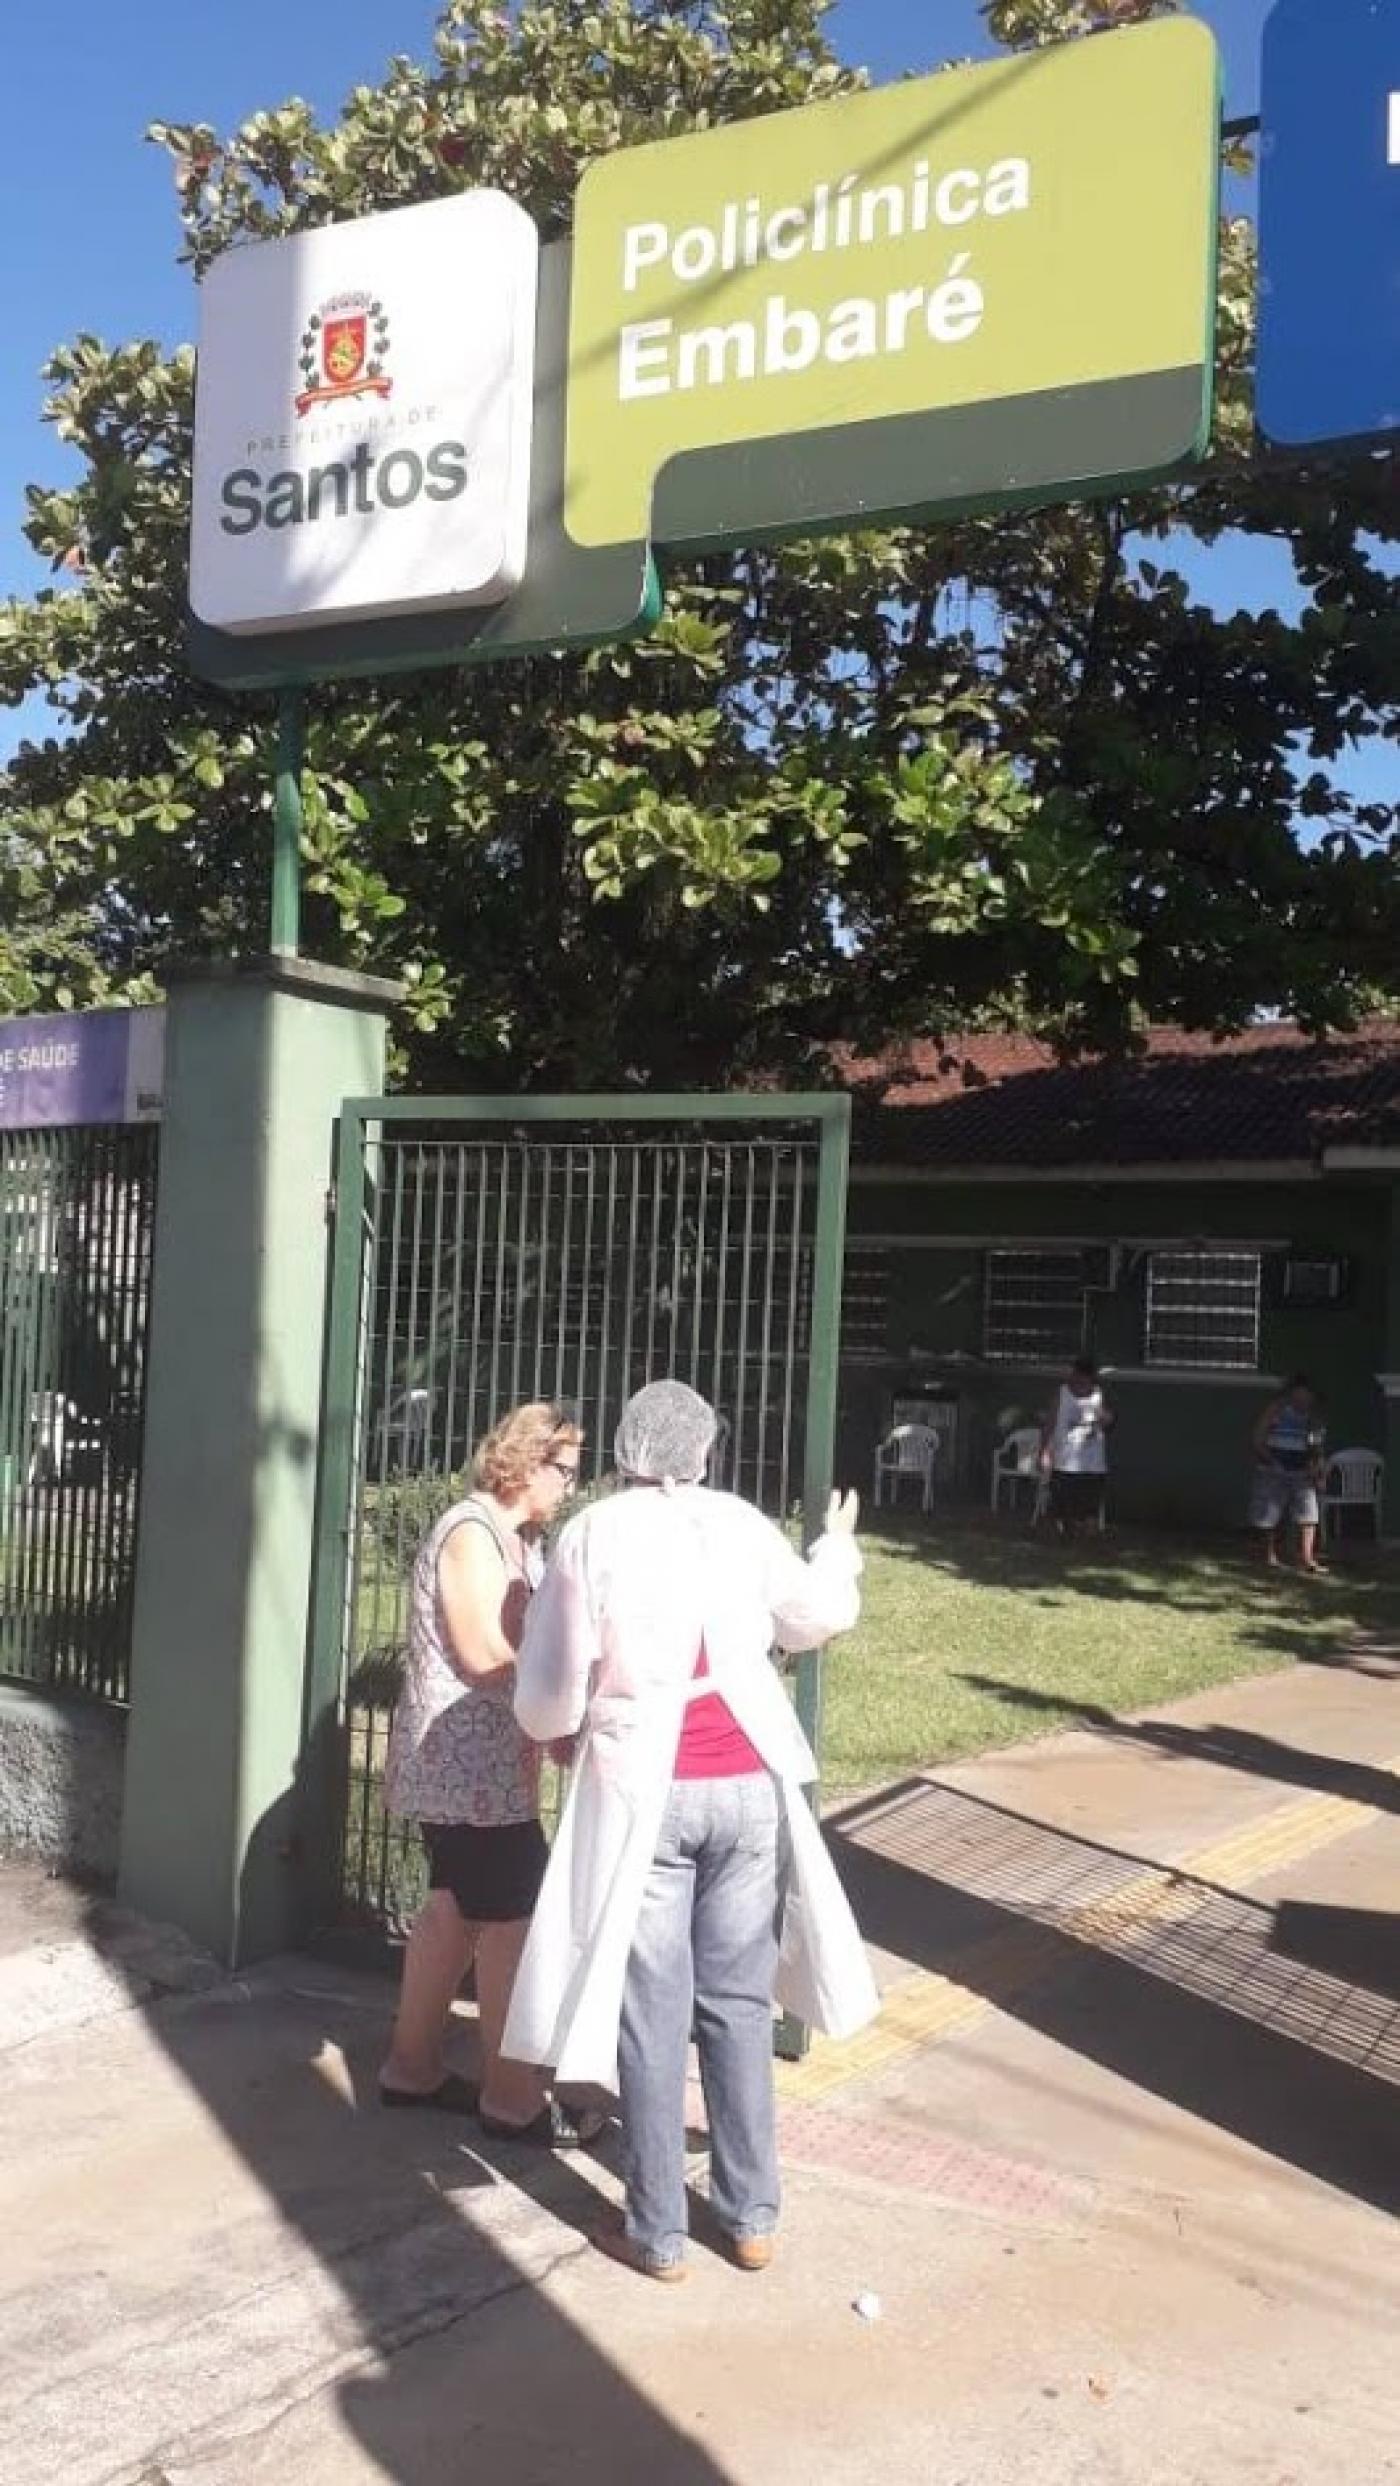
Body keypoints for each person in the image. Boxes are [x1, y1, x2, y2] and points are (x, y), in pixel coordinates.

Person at [502, 1378, 879, 2282]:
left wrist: (554, 1728)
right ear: (703, 1451)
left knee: (652, 2006)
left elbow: (553, 1682)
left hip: (649, 1791)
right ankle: (751, 2217)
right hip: (747, 1781)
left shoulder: (595, 1531)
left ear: (628, 1451)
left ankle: (657, 2231)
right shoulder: (742, 1522)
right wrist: (838, 1547)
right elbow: (817, 1615)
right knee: (738, 2004)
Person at [379, 1399, 599, 2144]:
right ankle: (511, 2098)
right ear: (525, 1460)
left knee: (452, 1912)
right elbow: (477, 1653)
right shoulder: (472, 1533)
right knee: (515, 1921)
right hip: (465, 1774)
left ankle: (411, 2069)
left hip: (481, 1776)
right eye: (563, 1468)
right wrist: (564, 1684)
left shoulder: (517, 1542)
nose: (571, 1484)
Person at [1250, 1375, 1327, 1573]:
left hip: (1301, 1470)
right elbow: (1258, 1438)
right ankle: (1268, 1556)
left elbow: (1317, 1446)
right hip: (1274, 1467)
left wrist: (1317, 1470)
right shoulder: (1277, 1410)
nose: (1303, 1401)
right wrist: (1270, 1460)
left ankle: (1307, 1559)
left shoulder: (1313, 1417)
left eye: (1307, 1397)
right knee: (1269, 1514)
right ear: (1291, 1393)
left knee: (1309, 1515)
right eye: (1299, 1396)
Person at [1039, 1356, 1113, 1538]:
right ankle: (1064, 1532)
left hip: (1092, 1462)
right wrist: (1045, 1450)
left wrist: (1105, 1418)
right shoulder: (1062, 1393)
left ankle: (1088, 1535)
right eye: (1076, 1375)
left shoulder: (1098, 1394)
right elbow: (1049, 1423)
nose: (1079, 1380)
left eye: (1084, 1377)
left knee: (1089, 1504)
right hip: (1065, 1460)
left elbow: (1107, 1419)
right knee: (1062, 1501)